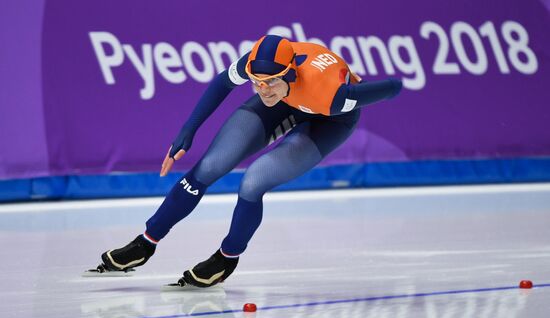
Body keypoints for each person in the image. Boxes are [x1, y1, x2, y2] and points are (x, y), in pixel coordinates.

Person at [95, 35, 402, 287]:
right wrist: (189, 128)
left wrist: (376, 85)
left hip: (327, 119)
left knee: (254, 181)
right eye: (256, 82)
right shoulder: (258, 67)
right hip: (287, 101)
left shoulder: (331, 95)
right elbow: (221, 84)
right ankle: (144, 243)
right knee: (207, 168)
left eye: (269, 81)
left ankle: (226, 259)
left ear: (289, 74)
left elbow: (391, 88)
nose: (261, 89)